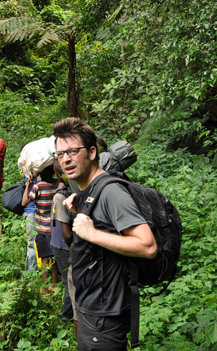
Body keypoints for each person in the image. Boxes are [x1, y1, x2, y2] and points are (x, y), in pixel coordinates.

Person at [53, 117, 157, 351]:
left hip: (105, 315)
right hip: (93, 306)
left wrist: (91, 233)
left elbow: (147, 246)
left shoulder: (111, 192)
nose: (65, 159)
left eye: (73, 151)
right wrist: (78, 212)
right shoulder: (89, 189)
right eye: (60, 154)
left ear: (91, 152)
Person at [22, 164, 58, 292]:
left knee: (44, 259)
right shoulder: (58, 184)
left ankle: (44, 288)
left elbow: (24, 202)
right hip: (54, 227)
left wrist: (28, 184)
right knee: (54, 258)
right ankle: (54, 285)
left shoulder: (39, 186)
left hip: (42, 229)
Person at [50, 160, 74, 321]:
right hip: (63, 245)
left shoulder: (69, 191)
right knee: (68, 281)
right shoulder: (61, 196)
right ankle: (66, 315)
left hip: (63, 243)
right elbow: (66, 234)